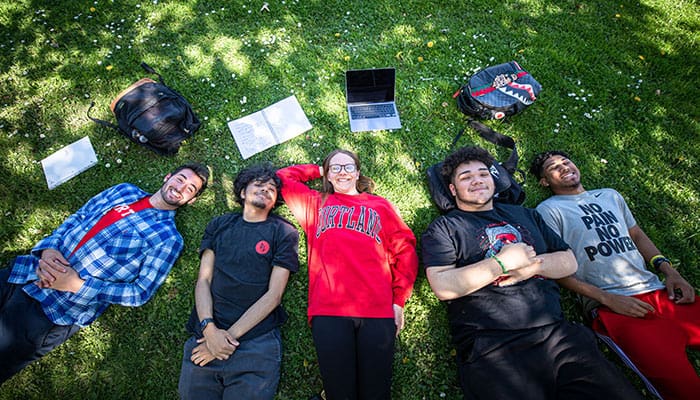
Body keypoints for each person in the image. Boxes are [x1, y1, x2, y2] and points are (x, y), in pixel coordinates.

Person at [421, 146, 643, 400]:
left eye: (483, 174)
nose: (477, 180)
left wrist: (531, 266)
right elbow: (443, 286)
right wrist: (502, 263)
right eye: (466, 177)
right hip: (494, 347)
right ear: (452, 190)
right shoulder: (445, 228)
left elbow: (568, 261)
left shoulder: (527, 215)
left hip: (561, 338)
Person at [0, 162, 209, 384]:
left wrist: (77, 285)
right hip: (25, 272)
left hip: (54, 309)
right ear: (168, 177)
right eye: (181, 179)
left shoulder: (168, 238)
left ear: (191, 200)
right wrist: (49, 248)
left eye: (190, 189)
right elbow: (79, 217)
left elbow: (139, 293)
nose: (181, 188)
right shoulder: (124, 190)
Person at [530, 150, 700, 400]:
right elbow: (555, 268)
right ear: (545, 182)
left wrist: (670, 271)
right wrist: (607, 299)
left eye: (566, 162)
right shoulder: (548, 210)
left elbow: (638, 236)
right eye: (553, 167)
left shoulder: (610, 195)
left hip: (661, 292)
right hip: (618, 308)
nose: (564, 167)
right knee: (685, 389)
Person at [277, 149, 418, 400]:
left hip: (377, 309)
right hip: (329, 310)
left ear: (358, 173)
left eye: (349, 167)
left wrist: (399, 300)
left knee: (376, 393)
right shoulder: (314, 203)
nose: (343, 172)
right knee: (339, 392)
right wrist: (319, 169)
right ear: (328, 175)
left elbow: (404, 250)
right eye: (336, 168)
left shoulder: (379, 205)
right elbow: (282, 177)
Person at [178, 164, 299, 400]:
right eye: (258, 185)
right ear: (243, 192)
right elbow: (203, 280)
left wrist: (225, 339)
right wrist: (210, 330)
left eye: (271, 189)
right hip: (205, 337)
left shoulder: (284, 231)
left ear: (275, 201)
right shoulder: (219, 225)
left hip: (256, 342)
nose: (265, 190)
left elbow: (274, 295)